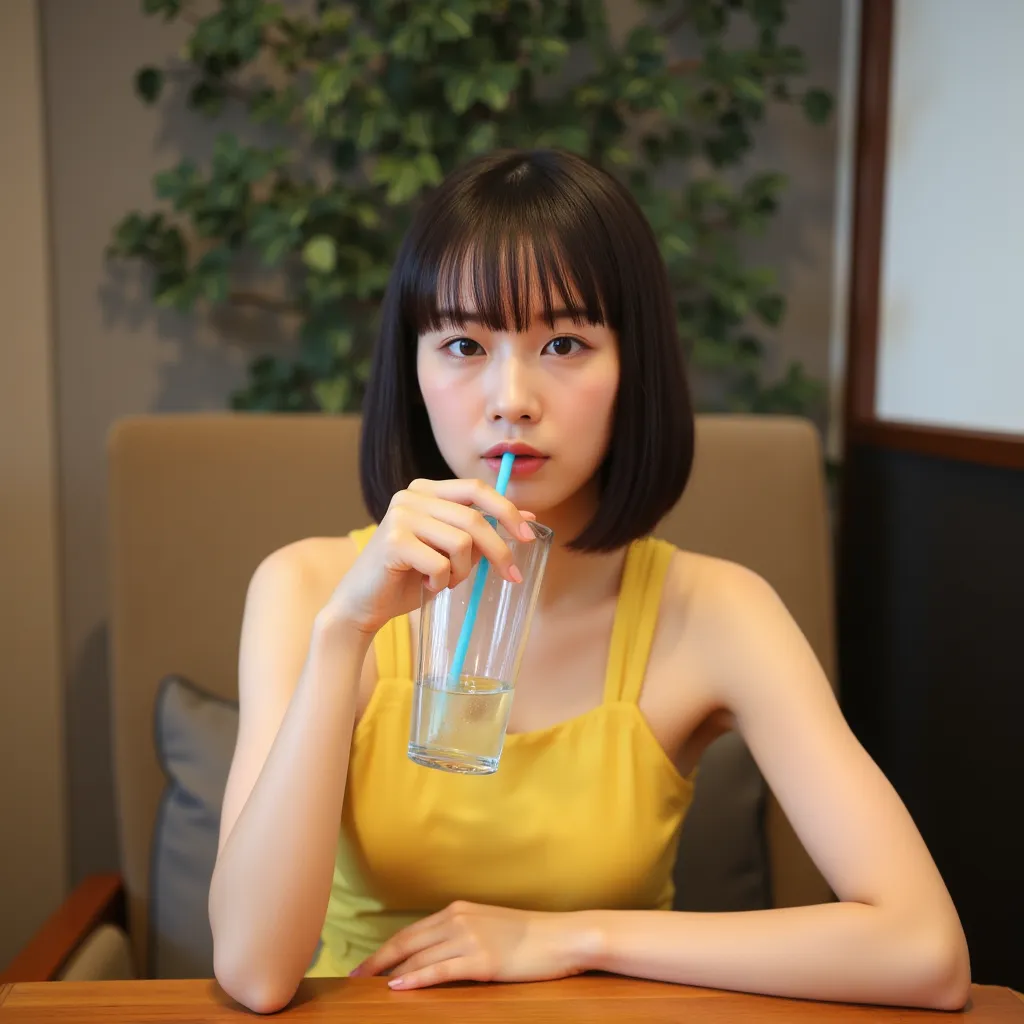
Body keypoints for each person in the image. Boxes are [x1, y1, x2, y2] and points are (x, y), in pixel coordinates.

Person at [208, 148, 970, 1015]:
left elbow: (925, 951)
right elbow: (255, 972)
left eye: (564, 343)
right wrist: (345, 634)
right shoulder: (309, 587)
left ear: (631, 368)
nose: (512, 397)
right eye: (463, 343)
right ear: (412, 372)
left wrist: (570, 937)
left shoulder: (717, 612)